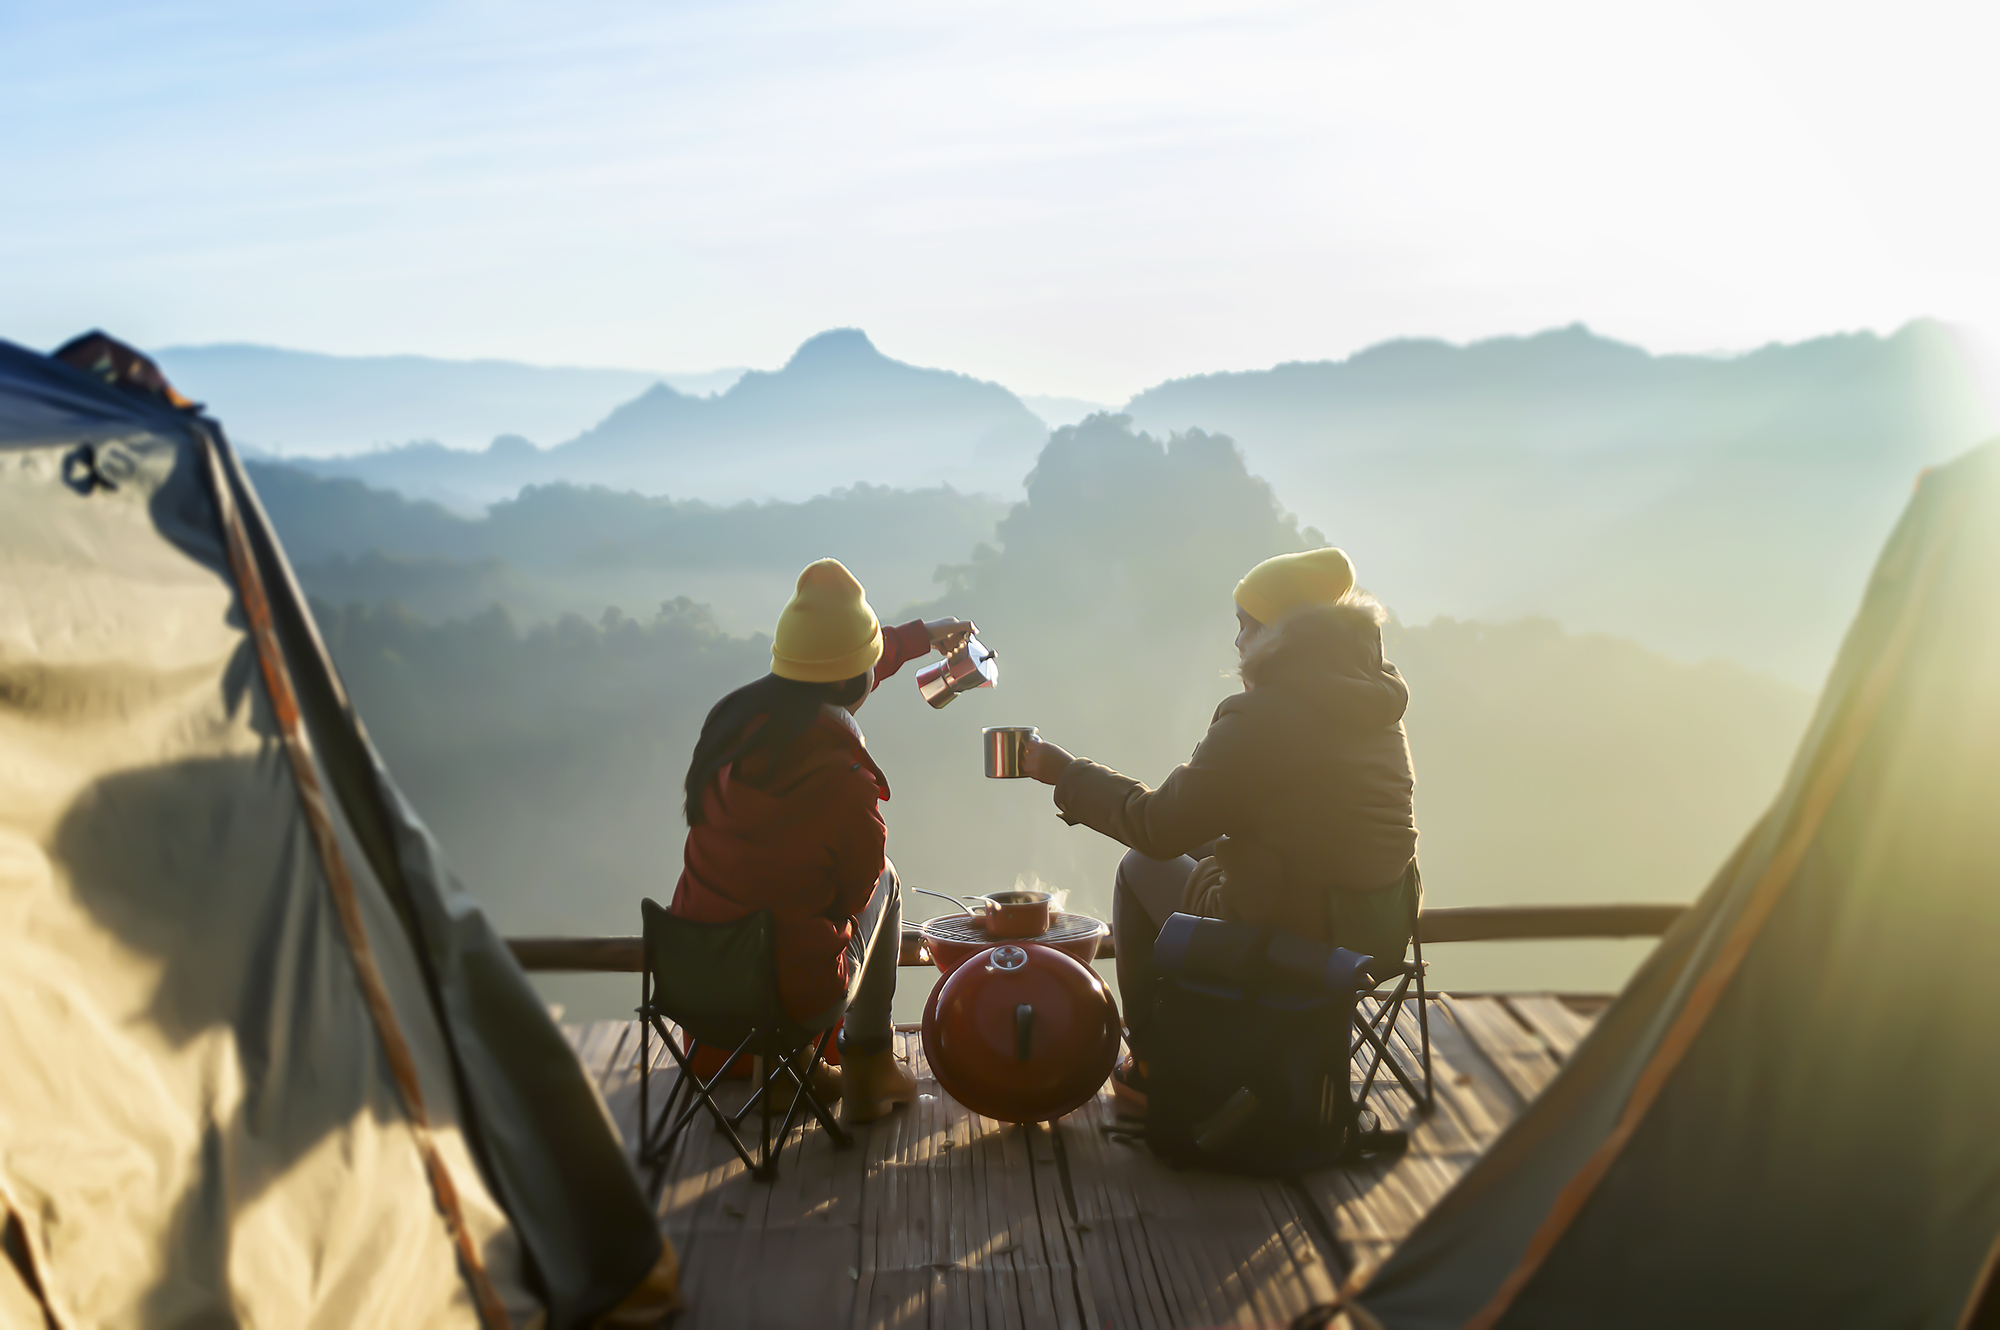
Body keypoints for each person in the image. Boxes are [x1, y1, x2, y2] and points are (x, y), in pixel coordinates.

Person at [1019, 547, 1419, 1114]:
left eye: (1245, 626)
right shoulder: (1374, 703)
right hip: (1376, 930)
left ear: (1279, 633)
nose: (1236, 642)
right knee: (1194, 845)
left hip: (1296, 937)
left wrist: (1067, 775)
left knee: (1139, 866)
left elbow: (1157, 828)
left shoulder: (1264, 716)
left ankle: (1155, 1066)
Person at [673, 558, 974, 1126]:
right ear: (853, 679)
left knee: (775, 897)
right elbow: (855, 891)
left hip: (699, 982)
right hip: (786, 999)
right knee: (886, 883)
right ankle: (869, 1065)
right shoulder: (842, 780)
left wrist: (917, 636)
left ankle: (791, 1069)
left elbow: (842, 668)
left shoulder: (734, 726)